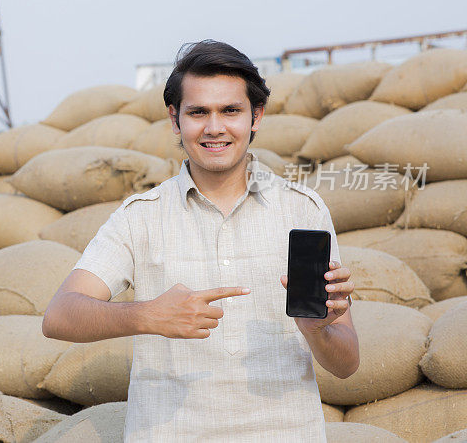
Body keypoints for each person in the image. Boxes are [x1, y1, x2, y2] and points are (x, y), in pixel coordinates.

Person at [41, 40, 359, 442]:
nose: (214, 127)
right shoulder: (140, 216)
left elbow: (347, 364)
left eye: (230, 110)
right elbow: (59, 316)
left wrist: (317, 331)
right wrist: (147, 316)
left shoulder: (303, 211)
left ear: (255, 116)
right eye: (197, 112)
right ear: (175, 120)